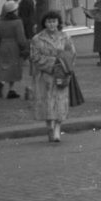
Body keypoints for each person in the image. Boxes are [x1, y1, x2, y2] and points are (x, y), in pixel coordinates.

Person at [29, 11, 76, 142]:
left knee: (60, 102)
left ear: (58, 22)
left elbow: (72, 54)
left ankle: (57, 129)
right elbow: (34, 57)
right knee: (47, 103)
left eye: (54, 21)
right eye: (49, 22)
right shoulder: (37, 39)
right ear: (44, 23)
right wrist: (52, 63)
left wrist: (64, 66)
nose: (52, 24)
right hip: (44, 77)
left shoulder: (65, 37)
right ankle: (50, 126)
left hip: (61, 75)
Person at [0, 0, 28, 99]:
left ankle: (1, 82)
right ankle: (11, 89)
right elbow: (21, 38)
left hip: (3, 45)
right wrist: (24, 47)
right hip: (14, 46)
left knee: (4, 66)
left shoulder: (0, 22)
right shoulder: (18, 21)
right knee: (13, 68)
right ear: (14, 10)